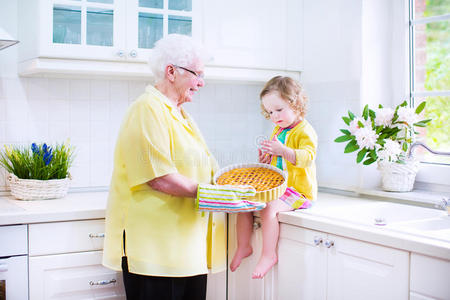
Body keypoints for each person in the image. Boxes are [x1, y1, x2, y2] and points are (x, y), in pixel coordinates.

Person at [102, 34, 261, 300]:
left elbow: (206, 170)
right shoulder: (146, 109)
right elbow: (159, 178)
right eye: (197, 73)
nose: (201, 82)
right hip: (157, 252)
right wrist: (221, 196)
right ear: (171, 72)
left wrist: (243, 184)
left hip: (187, 249)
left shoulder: (180, 114)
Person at [230, 76, 318, 279]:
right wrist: (267, 158)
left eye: (279, 109)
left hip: (298, 191)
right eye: (270, 112)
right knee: (244, 202)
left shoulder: (305, 131)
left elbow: (307, 158)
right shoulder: (278, 129)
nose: (274, 116)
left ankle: (269, 255)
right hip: (279, 188)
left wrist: (283, 150)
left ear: (296, 103)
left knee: (268, 207)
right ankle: (243, 246)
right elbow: (276, 162)